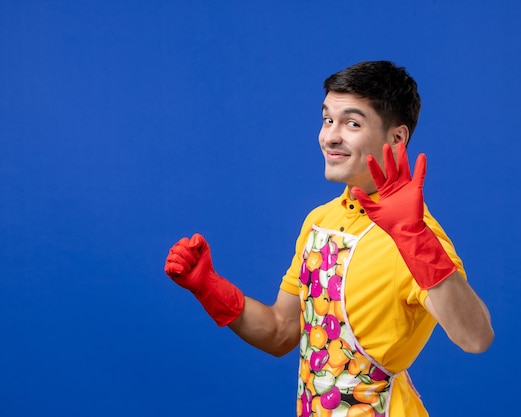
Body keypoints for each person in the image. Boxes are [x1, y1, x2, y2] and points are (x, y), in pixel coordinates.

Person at [164, 60, 494, 417]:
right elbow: (281, 332)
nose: (330, 136)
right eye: (327, 120)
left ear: (397, 138)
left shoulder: (418, 238)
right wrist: (210, 289)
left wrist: (414, 238)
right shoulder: (320, 221)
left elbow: (475, 337)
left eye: (352, 123)